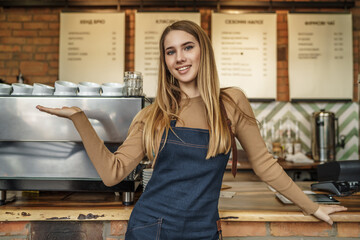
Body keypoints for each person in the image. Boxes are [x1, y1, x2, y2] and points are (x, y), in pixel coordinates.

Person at [37, 20, 347, 239]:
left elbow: (264, 164)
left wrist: (312, 207)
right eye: (170, 52)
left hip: (203, 230)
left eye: (187, 47)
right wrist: (80, 119)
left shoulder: (232, 103)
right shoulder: (153, 115)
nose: (180, 58)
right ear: (165, 61)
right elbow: (113, 173)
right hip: (151, 229)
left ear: (203, 51)